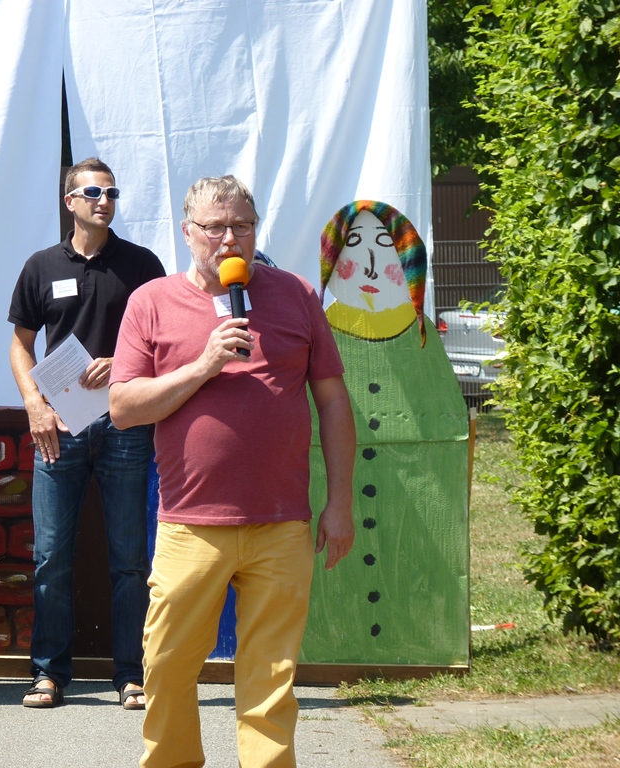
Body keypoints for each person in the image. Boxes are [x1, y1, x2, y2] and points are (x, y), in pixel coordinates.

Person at [109, 176, 356, 767]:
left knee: (271, 678)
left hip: (281, 523)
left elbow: (333, 402)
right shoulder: (151, 302)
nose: (229, 239)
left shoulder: (295, 294)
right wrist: (203, 365)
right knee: (166, 664)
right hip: (190, 525)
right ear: (187, 232)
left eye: (242, 226)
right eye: (214, 227)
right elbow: (122, 408)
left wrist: (340, 502)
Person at [7, 157, 166, 709]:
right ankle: (48, 675)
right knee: (51, 557)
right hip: (59, 425)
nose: (105, 201)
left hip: (126, 423)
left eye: (112, 192)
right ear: (70, 201)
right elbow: (21, 344)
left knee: (130, 560)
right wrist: (34, 405)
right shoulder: (41, 266)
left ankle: (132, 675)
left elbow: (166, 342)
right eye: (94, 192)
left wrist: (122, 362)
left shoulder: (142, 265)